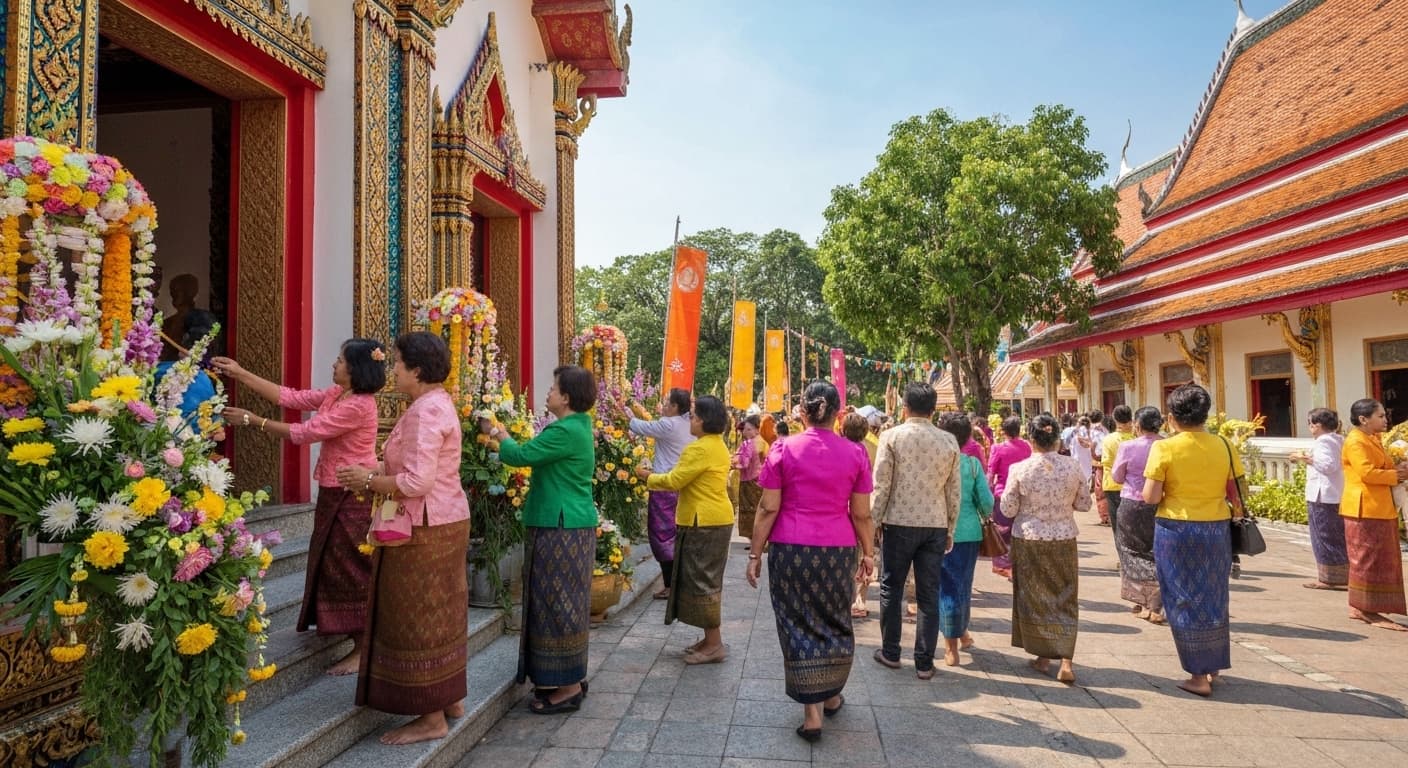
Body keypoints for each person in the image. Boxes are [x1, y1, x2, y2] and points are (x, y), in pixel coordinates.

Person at [214, 339, 384, 676]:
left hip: (353, 495)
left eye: (340, 360)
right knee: (333, 563)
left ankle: (364, 645)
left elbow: (306, 432)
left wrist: (253, 421)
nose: (334, 365)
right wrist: (240, 373)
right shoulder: (338, 394)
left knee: (351, 568)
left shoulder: (359, 405)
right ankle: (353, 637)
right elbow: (290, 397)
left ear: (355, 369)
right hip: (335, 490)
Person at [333, 332, 469, 744]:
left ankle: (431, 718)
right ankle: (448, 699)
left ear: (417, 370)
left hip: (425, 528)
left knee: (416, 617)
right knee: (441, 613)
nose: (391, 370)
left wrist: (369, 481)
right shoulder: (435, 403)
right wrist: (373, 471)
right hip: (444, 520)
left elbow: (416, 482)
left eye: (397, 363)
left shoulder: (426, 412)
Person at [746, 381, 875, 743]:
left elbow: (768, 507)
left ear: (801, 413)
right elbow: (861, 514)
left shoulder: (783, 448)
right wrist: (868, 553)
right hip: (838, 550)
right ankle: (830, 695)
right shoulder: (855, 453)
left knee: (796, 622)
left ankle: (812, 713)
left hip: (791, 549)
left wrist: (755, 554)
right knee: (834, 618)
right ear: (839, 414)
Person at [483, 366, 599, 711]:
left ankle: (568, 687)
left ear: (566, 397)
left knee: (557, 602)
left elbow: (520, 456)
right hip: (568, 522)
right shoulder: (577, 426)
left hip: (560, 525)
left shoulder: (564, 431)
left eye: (553, 388)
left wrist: (498, 432)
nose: (548, 393)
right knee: (562, 601)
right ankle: (566, 677)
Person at [1142, 383, 1246, 697]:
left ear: (1171, 417)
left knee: (1181, 596)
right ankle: (1213, 665)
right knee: (1214, 595)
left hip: (1177, 529)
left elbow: (1150, 496)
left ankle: (1198, 675)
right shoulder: (1224, 445)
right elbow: (1238, 493)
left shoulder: (1165, 448)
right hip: (1216, 528)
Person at [870, 382, 960, 678]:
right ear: (934, 410)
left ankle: (891, 651)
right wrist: (950, 527)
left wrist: (873, 521)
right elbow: (953, 491)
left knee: (891, 588)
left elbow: (881, 485)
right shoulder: (948, 441)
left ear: (905, 408)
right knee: (928, 593)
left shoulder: (891, 436)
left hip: (898, 521)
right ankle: (924, 661)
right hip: (935, 523)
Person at [637, 395, 734, 663]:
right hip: (713, 519)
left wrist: (647, 476)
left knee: (702, 581)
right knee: (703, 579)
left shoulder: (699, 449)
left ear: (702, 421)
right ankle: (710, 639)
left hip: (704, 522)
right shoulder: (716, 444)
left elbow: (674, 480)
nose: (689, 420)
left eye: (692, 416)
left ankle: (714, 644)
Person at [1003, 413, 1087, 685]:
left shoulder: (1020, 468)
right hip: (1064, 537)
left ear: (1031, 439)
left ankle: (1042, 656)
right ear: (1057, 439)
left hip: (1030, 538)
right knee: (1066, 594)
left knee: (1034, 597)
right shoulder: (1073, 466)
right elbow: (1084, 504)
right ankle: (1066, 660)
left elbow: (1008, 508)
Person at [1339, 398, 1408, 630]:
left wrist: (1398, 469)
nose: (1385, 419)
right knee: (1366, 560)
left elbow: (1382, 468)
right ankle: (1365, 609)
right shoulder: (1355, 441)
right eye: (1380, 416)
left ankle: (1362, 606)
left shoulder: (1373, 438)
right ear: (1363, 419)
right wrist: (1396, 475)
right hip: (1364, 508)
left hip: (1379, 506)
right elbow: (1367, 473)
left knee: (1381, 559)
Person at [936, 411, 993, 666]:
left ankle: (952, 645)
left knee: (945, 587)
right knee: (962, 586)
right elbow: (987, 503)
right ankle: (961, 634)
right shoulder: (971, 465)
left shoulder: (934, 463)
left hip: (938, 530)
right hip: (968, 533)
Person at [628, 388, 694, 600]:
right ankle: (678, 583)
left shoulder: (669, 424)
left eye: (666, 403)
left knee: (661, 536)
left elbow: (639, 426)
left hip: (664, 487)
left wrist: (623, 411)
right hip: (682, 486)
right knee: (677, 534)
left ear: (675, 406)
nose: (663, 406)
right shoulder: (689, 424)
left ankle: (670, 585)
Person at [1111, 406, 1165, 622]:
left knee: (1130, 551)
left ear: (1137, 424)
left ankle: (1143, 602)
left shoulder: (1128, 446)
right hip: (1161, 503)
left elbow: (1117, 476)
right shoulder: (1167, 445)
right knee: (1157, 551)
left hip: (1132, 503)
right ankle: (1156, 605)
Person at [1291, 408, 1348, 590]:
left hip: (1323, 495)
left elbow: (1327, 466)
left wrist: (1304, 458)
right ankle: (1337, 576)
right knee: (1334, 536)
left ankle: (1331, 578)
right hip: (1333, 494)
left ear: (1317, 425)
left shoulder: (1324, 442)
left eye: (1310, 423)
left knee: (1324, 537)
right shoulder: (1338, 440)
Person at [987, 415, 1032, 578]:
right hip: (1023, 493)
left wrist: (987, 494)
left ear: (1003, 431)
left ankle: (1004, 565)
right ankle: (1020, 564)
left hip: (1003, 493)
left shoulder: (998, 448)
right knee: (1021, 529)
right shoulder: (1027, 446)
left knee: (1002, 530)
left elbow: (991, 472)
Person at [1099, 405, 1135, 531]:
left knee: (1117, 524)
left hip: (1112, 484)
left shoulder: (1108, 439)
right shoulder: (1136, 439)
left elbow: (1106, 462)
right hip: (1133, 486)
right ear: (1131, 419)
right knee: (1132, 525)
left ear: (1115, 419)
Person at [733, 414, 766, 540]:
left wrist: (734, 465)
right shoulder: (763, 442)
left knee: (749, 511)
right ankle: (761, 539)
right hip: (761, 480)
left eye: (749, 429)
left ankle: (753, 540)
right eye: (745, 429)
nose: (745, 432)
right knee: (759, 509)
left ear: (757, 429)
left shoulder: (748, 443)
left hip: (749, 481)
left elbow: (744, 464)